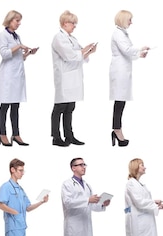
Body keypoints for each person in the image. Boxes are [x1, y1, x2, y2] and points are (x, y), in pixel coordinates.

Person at [51, 10, 96, 147]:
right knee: (60, 107)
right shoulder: (59, 38)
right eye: (73, 23)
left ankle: (69, 136)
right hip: (64, 78)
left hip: (74, 77)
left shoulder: (72, 38)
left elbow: (79, 56)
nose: (75, 26)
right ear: (65, 23)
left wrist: (88, 51)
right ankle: (56, 137)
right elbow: (69, 55)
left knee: (70, 107)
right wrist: (83, 51)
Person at [0, 10, 38, 147]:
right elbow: (4, 54)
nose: (19, 23)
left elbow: (18, 57)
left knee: (16, 105)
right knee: (5, 105)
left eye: (20, 21)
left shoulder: (16, 36)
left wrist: (28, 53)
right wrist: (19, 46)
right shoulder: (3, 35)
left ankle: (16, 134)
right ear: (9, 20)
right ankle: (2, 134)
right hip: (8, 75)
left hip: (17, 75)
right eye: (17, 21)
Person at [109, 10, 149, 147]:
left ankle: (117, 129)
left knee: (121, 101)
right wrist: (140, 49)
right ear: (123, 19)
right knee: (119, 101)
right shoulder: (117, 33)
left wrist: (139, 55)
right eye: (129, 19)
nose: (131, 22)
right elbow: (127, 50)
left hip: (123, 70)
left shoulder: (123, 33)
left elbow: (128, 53)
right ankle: (117, 130)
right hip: (119, 71)